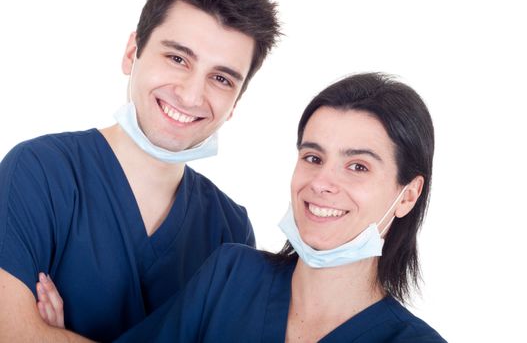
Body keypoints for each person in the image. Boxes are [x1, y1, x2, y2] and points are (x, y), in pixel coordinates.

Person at [38, 72, 447, 342]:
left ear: (407, 195)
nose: (322, 183)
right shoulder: (230, 277)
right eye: (313, 157)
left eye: (357, 166)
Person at [0, 0, 280, 341]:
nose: (191, 95)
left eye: (221, 79)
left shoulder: (230, 230)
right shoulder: (39, 172)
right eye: (178, 58)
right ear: (132, 53)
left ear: (236, 101)